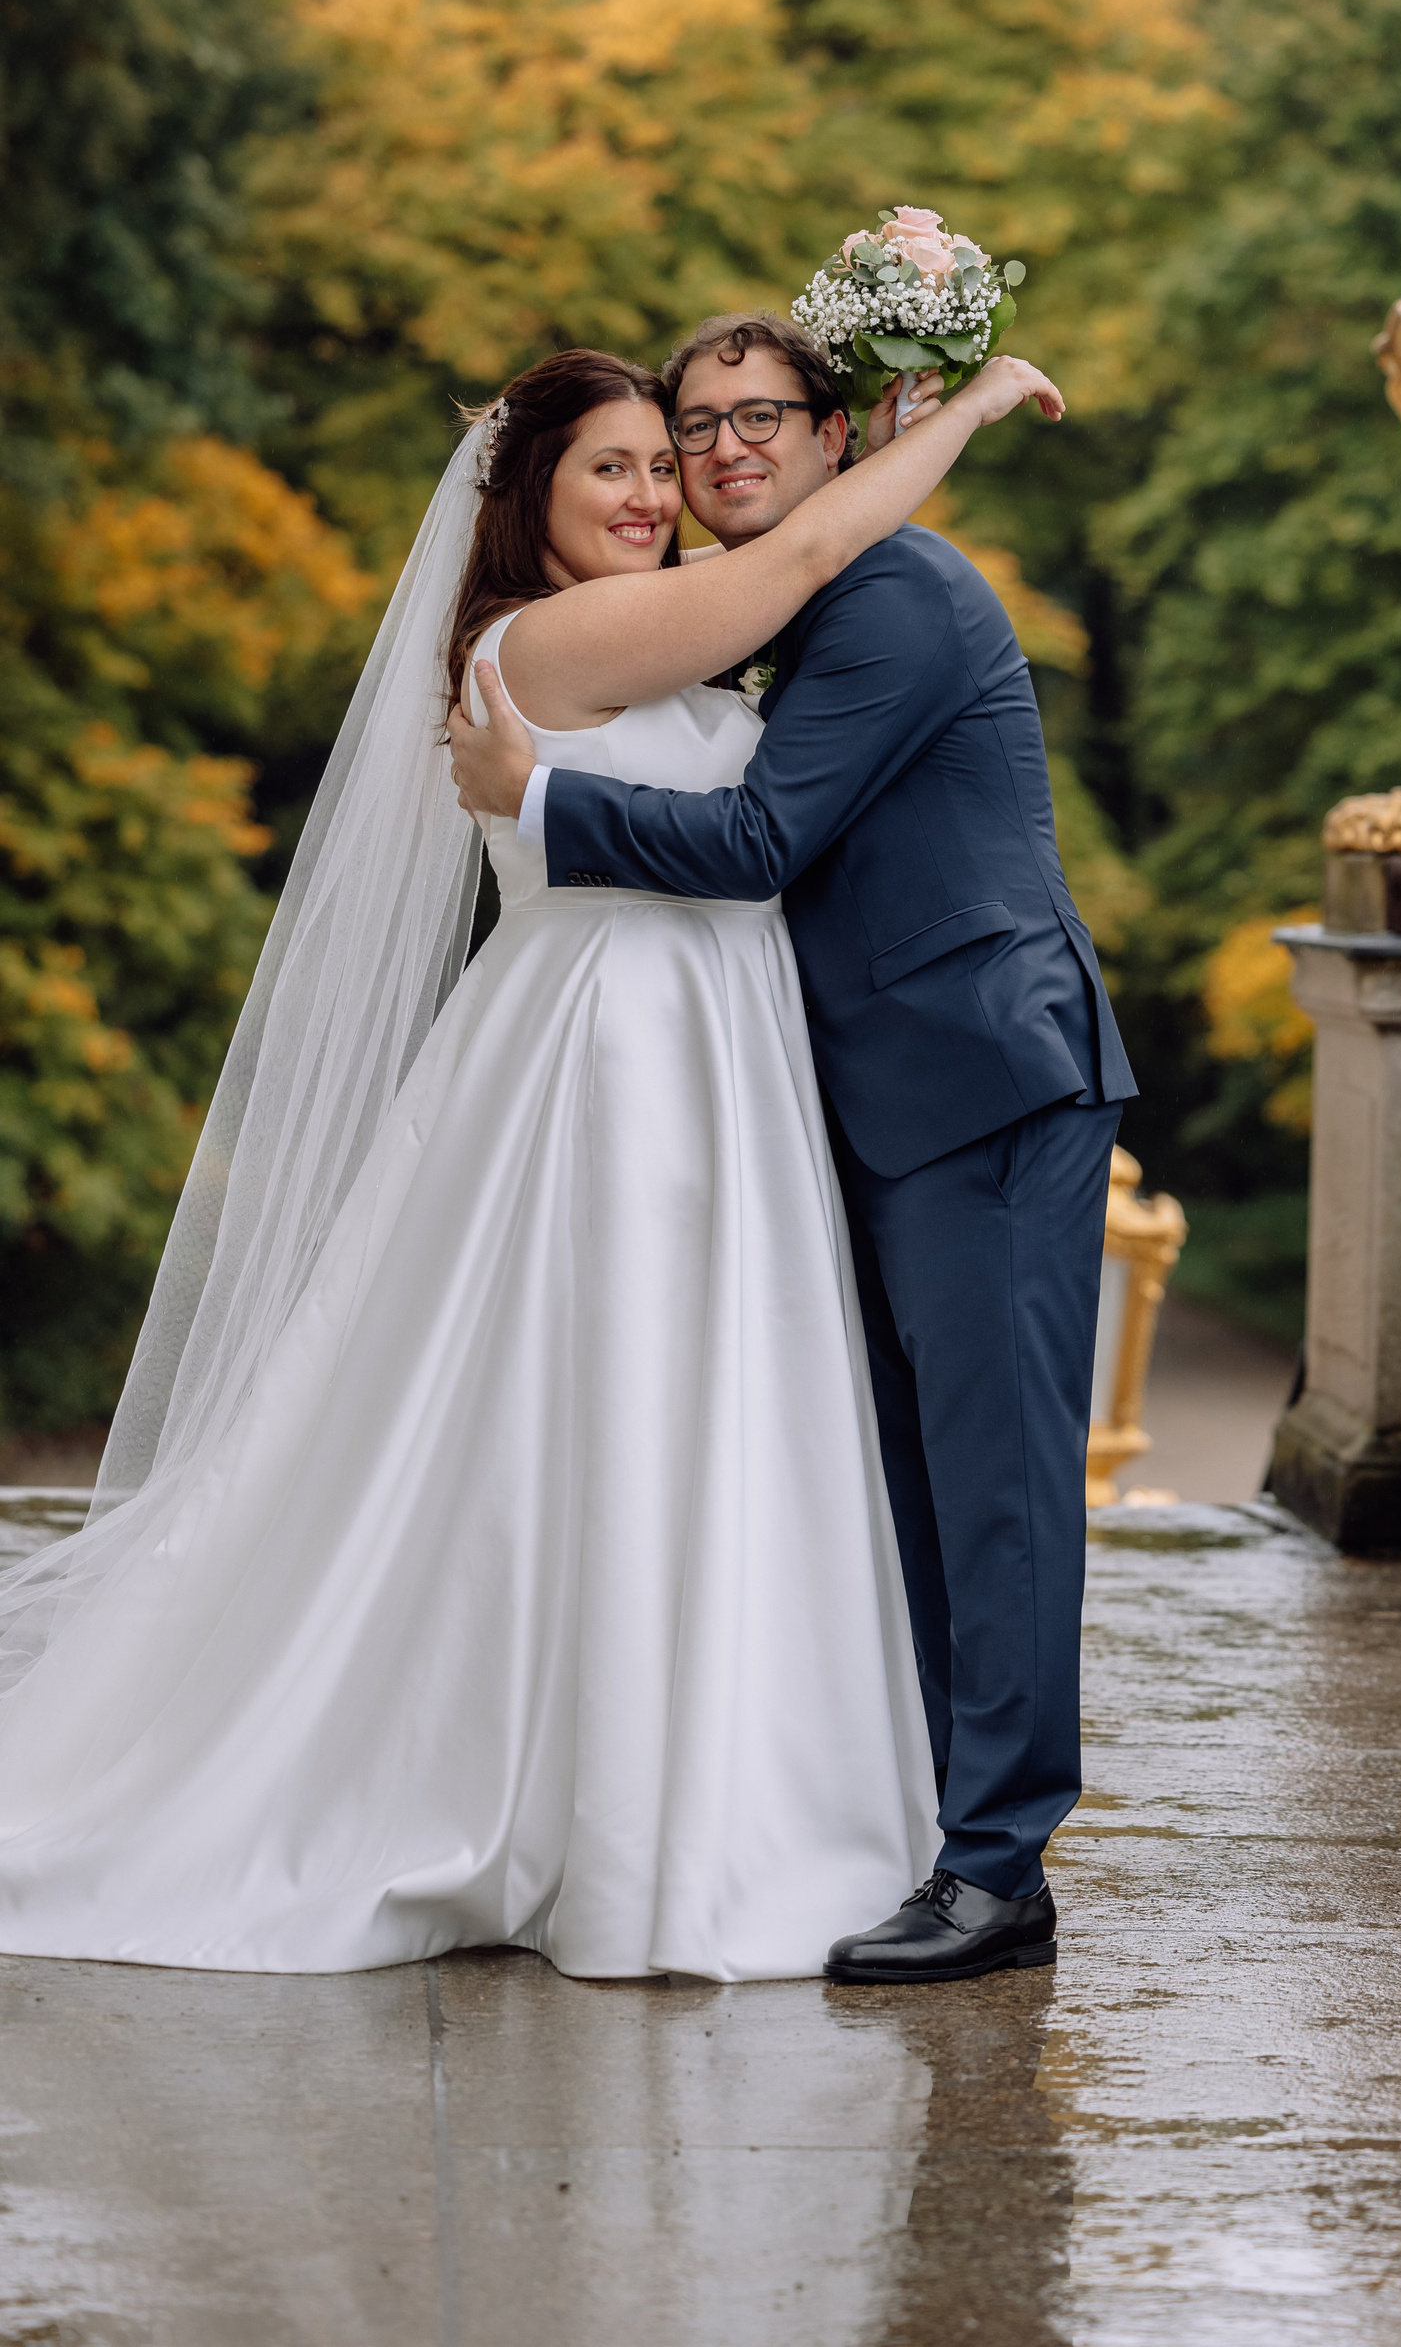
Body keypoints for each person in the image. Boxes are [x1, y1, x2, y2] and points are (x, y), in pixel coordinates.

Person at [0, 342, 1045, 1979]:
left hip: (710, 1050)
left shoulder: (657, 627)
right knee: (618, 1407)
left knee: (683, 1409)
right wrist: (963, 413)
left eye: (665, 465)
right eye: (614, 466)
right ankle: (622, 1817)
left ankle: (697, 1781)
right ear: (529, 498)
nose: (653, 492)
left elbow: (796, 594)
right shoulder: (549, 640)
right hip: (620, 1053)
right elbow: (804, 558)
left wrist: (871, 423)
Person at [449, 314, 1136, 1987]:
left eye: (763, 416)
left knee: (998, 1496)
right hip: (870, 1101)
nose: (722, 450)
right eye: (695, 428)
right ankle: (943, 1834)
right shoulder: (765, 608)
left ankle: (999, 1874)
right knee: (915, 1495)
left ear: (839, 435)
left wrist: (538, 802)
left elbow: (762, 839)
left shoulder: (891, 594)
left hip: (983, 1081)